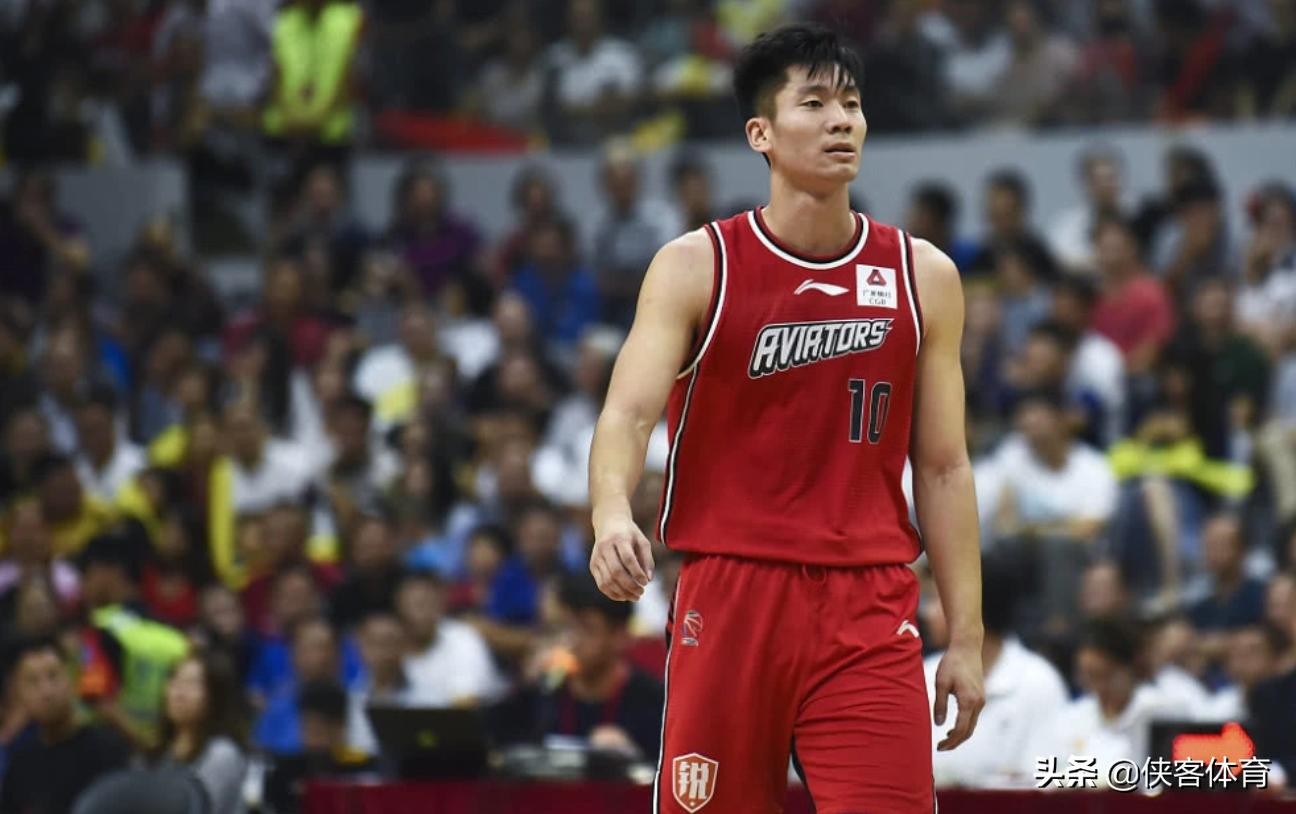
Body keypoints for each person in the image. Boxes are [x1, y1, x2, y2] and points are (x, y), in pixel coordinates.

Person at [587, 24, 983, 813]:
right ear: (760, 134)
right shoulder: (696, 265)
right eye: (815, 104)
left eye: (852, 104)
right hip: (731, 591)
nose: (842, 121)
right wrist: (609, 515)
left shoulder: (923, 276)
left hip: (868, 603)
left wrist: (967, 638)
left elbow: (943, 466)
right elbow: (627, 415)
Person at [0, 636, 131, 814]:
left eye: (53, 676)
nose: (46, 691)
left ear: (71, 679)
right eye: (32, 682)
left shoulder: (109, 750)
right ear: (19, 693)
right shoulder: (20, 765)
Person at [155, 652, 250, 814]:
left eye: (192, 684)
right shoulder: (160, 751)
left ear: (216, 695)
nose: (178, 693)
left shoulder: (222, 754)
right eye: (175, 681)